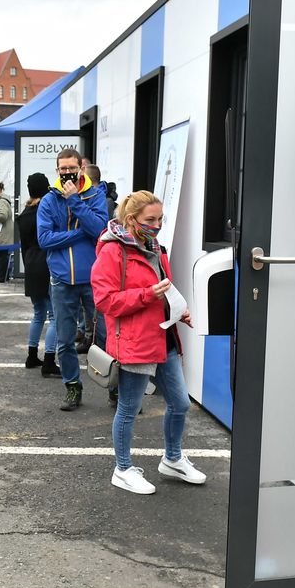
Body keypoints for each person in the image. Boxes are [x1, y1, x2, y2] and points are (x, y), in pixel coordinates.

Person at [92, 190, 205, 496]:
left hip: (163, 336)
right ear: (132, 220)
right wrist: (147, 295)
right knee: (129, 408)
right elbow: (105, 301)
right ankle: (123, 468)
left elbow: (164, 288)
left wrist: (179, 311)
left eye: (160, 219)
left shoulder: (154, 246)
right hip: (135, 341)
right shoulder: (113, 251)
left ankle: (172, 458)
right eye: (150, 220)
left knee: (180, 403)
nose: (157, 225)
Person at [37, 147, 109, 411]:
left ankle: (113, 389)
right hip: (62, 280)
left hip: (95, 280)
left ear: (81, 167)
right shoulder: (48, 201)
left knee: (104, 337)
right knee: (65, 340)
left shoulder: (95, 195)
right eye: (62, 168)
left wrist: (76, 202)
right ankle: (72, 387)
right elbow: (45, 240)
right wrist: (80, 234)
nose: (67, 172)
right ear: (57, 170)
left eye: (71, 167)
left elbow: (100, 230)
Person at [17, 173, 59, 377]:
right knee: (55, 315)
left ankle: (32, 354)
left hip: (31, 263)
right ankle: (49, 360)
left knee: (38, 313)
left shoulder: (24, 213)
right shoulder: (48, 210)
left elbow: (23, 246)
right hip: (47, 262)